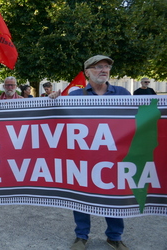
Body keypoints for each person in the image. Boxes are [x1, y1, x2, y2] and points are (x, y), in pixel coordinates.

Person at [49, 55, 130, 250]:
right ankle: (81, 236)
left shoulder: (123, 94)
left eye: (106, 66)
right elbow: (57, 123)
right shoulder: (76, 96)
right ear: (86, 72)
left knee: (114, 196)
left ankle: (114, 236)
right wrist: (52, 102)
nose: (104, 70)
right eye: (97, 67)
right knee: (81, 196)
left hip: (113, 158)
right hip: (83, 158)